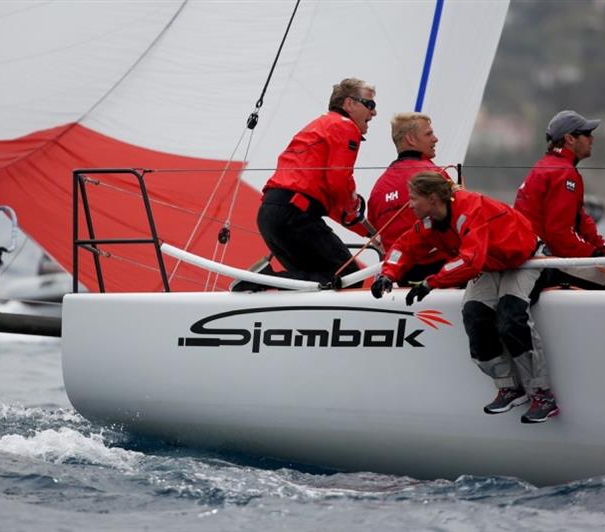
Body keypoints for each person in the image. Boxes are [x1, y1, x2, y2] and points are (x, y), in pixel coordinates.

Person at [371, 172, 559, 424]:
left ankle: (542, 394)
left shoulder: (469, 210)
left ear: (433, 198)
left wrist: (431, 282)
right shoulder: (431, 220)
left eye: (414, 198)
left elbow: (470, 259)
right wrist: (387, 274)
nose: (410, 204)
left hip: (525, 261)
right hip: (491, 266)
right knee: (474, 314)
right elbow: (405, 246)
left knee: (511, 317)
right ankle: (509, 386)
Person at [232, 78, 379, 291]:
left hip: (274, 213)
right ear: (349, 104)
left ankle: (263, 282)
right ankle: (261, 281)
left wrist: (368, 233)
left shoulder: (321, 125)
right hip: (294, 215)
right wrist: (355, 207)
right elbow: (339, 183)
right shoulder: (345, 126)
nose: (374, 113)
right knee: (349, 277)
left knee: (317, 282)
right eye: (370, 105)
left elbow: (331, 199)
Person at [514, 110, 605, 289]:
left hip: (536, 256)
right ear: (570, 139)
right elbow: (559, 234)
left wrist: (604, 249)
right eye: (587, 134)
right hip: (543, 262)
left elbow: (579, 219)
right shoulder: (563, 172)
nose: (592, 139)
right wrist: (596, 256)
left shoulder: (549, 165)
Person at [368, 112, 452, 284]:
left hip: (401, 276)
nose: (435, 139)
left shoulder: (378, 188)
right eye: (429, 134)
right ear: (411, 140)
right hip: (440, 270)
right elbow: (461, 216)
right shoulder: (436, 175)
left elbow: (375, 231)